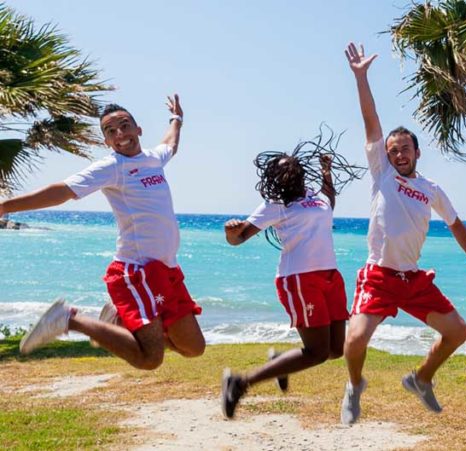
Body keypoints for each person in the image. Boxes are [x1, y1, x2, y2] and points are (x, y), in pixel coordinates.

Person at [341, 42, 466, 425]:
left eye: (405, 148)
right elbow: (371, 122)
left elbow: (456, 224)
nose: (398, 154)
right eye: (393, 150)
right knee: (355, 339)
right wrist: (361, 78)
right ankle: (354, 385)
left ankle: (421, 378)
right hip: (379, 277)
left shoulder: (431, 189)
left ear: (417, 152)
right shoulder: (382, 173)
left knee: (458, 332)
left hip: (413, 280)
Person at [5, 96, 206, 369]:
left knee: (193, 347)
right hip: (137, 271)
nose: (120, 134)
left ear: (138, 129)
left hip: (166, 270)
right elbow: (62, 191)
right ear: (106, 142)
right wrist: (5, 206)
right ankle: (70, 319)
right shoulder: (112, 167)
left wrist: (176, 119)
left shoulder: (153, 159)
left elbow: (171, 143)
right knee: (149, 359)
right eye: (111, 131)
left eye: (125, 126)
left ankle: (118, 321)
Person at [220, 135, 357, 419]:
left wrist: (327, 172)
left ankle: (281, 361)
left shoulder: (314, 196)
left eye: (293, 169)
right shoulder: (276, 204)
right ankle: (240, 383)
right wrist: (230, 232)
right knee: (317, 352)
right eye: (283, 172)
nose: (290, 174)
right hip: (300, 279)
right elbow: (239, 238)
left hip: (330, 276)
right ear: (276, 179)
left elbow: (329, 202)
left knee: (335, 349)